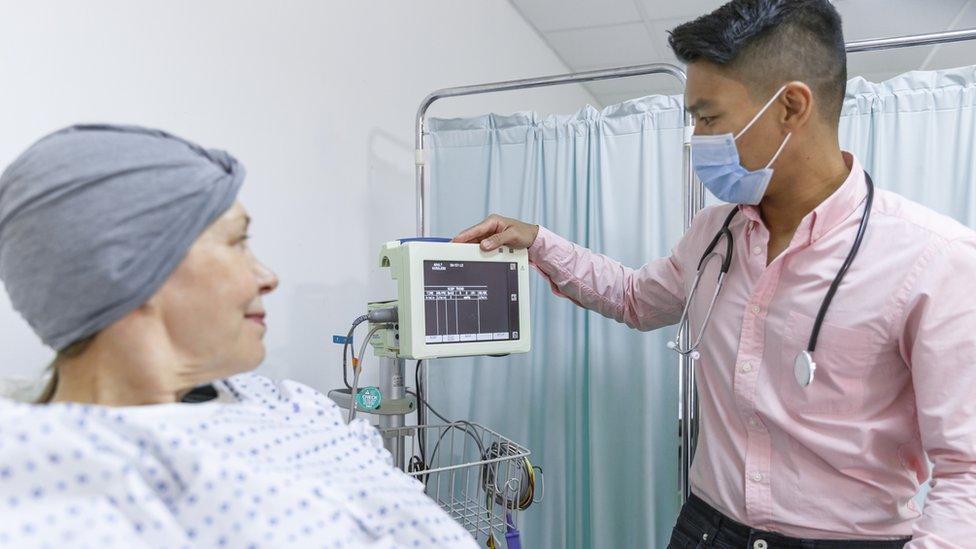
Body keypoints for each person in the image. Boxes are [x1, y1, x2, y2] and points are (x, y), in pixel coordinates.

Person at [454, 1, 976, 547]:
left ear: (791, 107)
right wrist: (538, 240)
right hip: (706, 529)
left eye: (709, 117)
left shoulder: (933, 262)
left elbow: (965, 476)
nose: (697, 138)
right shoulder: (714, 233)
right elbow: (635, 298)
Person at [0, 124, 476, 547]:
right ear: (126, 268)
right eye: (237, 241)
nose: (268, 276)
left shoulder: (284, 402)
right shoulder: (62, 480)